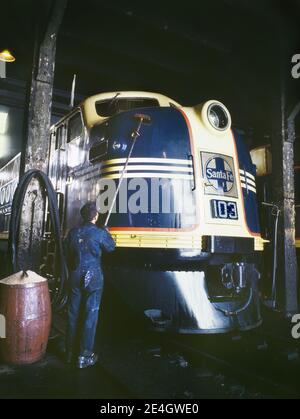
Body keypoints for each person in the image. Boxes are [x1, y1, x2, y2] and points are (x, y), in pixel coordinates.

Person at [64, 202, 115, 369]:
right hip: (93, 277)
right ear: (96, 216)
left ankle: (69, 353)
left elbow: (67, 252)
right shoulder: (99, 233)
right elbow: (111, 247)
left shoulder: (73, 233)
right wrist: (107, 233)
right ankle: (84, 356)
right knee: (90, 315)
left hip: (74, 275)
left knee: (72, 314)